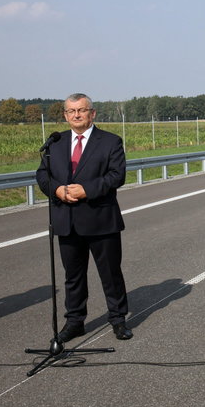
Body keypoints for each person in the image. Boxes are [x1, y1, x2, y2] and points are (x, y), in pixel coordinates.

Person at [35, 93, 133, 342]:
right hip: (66, 221)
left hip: (100, 220)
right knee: (73, 276)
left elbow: (116, 176)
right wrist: (56, 189)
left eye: (81, 110)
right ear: (65, 115)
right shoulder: (55, 142)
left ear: (92, 113)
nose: (76, 115)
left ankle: (118, 319)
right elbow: (42, 175)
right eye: (71, 111)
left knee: (110, 273)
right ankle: (75, 321)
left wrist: (87, 190)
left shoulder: (110, 141)